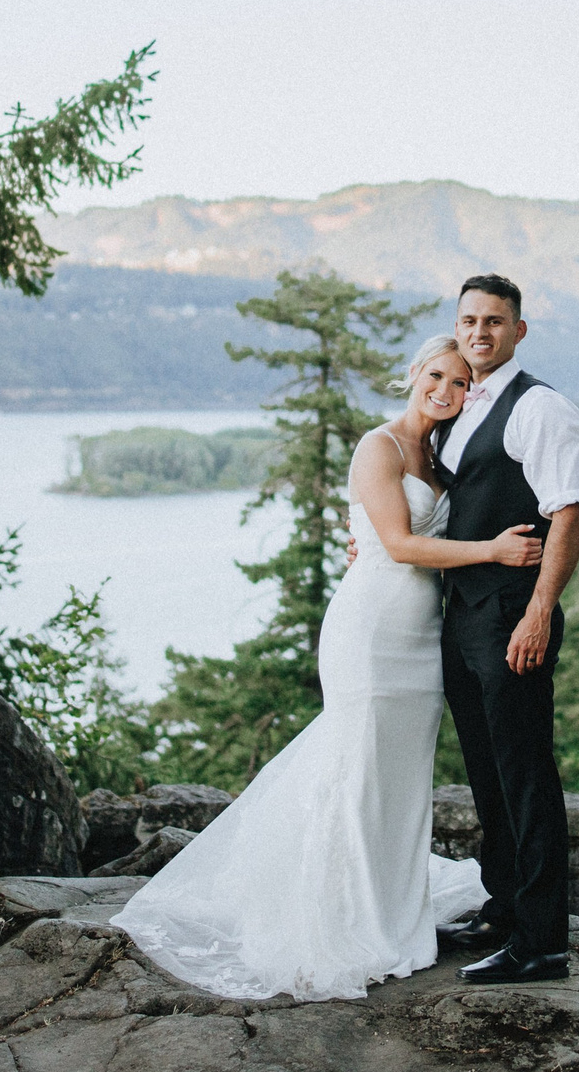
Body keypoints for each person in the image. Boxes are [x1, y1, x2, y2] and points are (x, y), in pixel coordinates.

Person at [112, 335, 546, 1001]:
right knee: (356, 763)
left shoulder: (439, 455)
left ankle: (393, 909)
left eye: (460, 383)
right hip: (371, 626)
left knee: (399, 774)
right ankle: (338, 915)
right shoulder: (379, 446)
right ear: (413, 373)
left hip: (422, 632)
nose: (446, 390)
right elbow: (399, 544)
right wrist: (491, 549)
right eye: (437, 375)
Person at [436, 274, 579, 985]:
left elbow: (570, 510)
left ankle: (542, 942)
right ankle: (503, 905)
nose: (479, 332)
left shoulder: (541, 407)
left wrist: (538, 609)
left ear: (518, 330)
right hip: (461, 613)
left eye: (494, 321)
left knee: (526, 775)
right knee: (486, 771)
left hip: (510, 613)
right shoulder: (468, 405)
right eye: (469, 320)